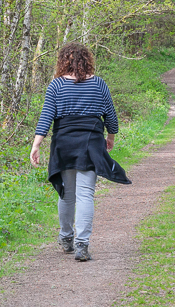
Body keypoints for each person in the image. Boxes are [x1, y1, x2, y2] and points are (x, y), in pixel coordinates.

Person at [29, 43, 130, 261]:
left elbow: (46, 116)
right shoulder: (99, 84)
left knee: (67, 193)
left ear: (63, 61)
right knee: (85, 194)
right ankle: (82, 244)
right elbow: (111, 117)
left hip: (64, 143)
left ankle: (66, 238)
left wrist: (36, 144)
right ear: (87, 60)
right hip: (90, 142)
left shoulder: (56, 86)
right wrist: (110, 138)